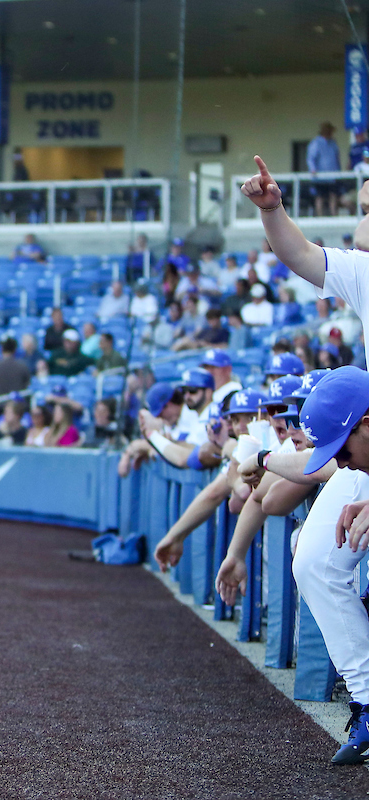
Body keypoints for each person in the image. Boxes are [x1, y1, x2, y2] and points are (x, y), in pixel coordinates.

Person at [240, 155, 369, 765]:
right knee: (314, 558)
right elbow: (300, 256)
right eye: (362, 207)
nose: (362, 219)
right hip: (366, 453)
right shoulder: (365, 273)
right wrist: (273, 211)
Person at [306, 121, 342, 216]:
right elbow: (311, 158)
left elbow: (337, 158)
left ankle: (334, 217)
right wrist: (313, 170)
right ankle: (320, 217)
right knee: (320, 197)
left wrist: (339, 172)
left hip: (332, 176)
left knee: (333, 196)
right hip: (320, 177)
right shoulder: (316, 143)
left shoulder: (333, 143)